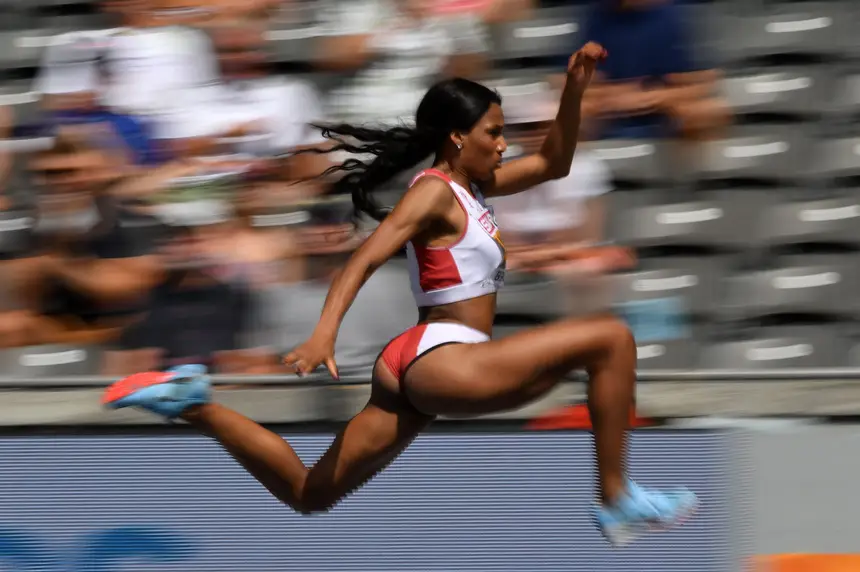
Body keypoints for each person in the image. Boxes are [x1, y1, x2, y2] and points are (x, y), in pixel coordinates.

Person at [102, 42, 697, 547]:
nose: (504, 143)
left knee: (310, 494)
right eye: (494, 132)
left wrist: (575, 88)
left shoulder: (472, 187)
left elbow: (556, 162)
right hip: (443, 356)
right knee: (611, 338)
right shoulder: (434, 192)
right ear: (459, 137)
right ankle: (616, 497)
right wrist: (323, 333)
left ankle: (191, 402)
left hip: (420, 362)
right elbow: (365, 256)